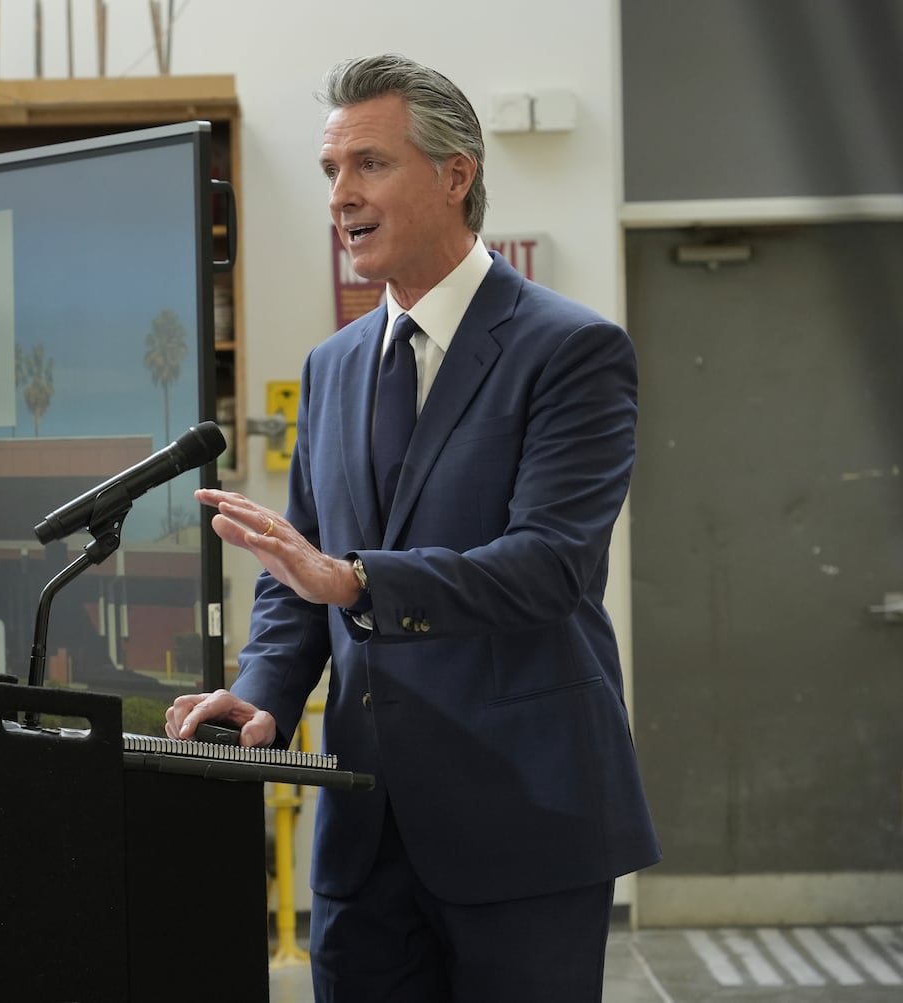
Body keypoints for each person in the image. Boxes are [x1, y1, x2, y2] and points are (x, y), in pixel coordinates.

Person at [166, 54, 660, 1001]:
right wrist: (262, 692)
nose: (340, 196)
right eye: (329, 173)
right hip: (363, 831)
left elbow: (550, 565)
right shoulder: (333, 365)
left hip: (525, 821)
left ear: (457, 174)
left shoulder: (572, 350)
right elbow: (291, 577)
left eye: (368, 165)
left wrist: (356, 580)